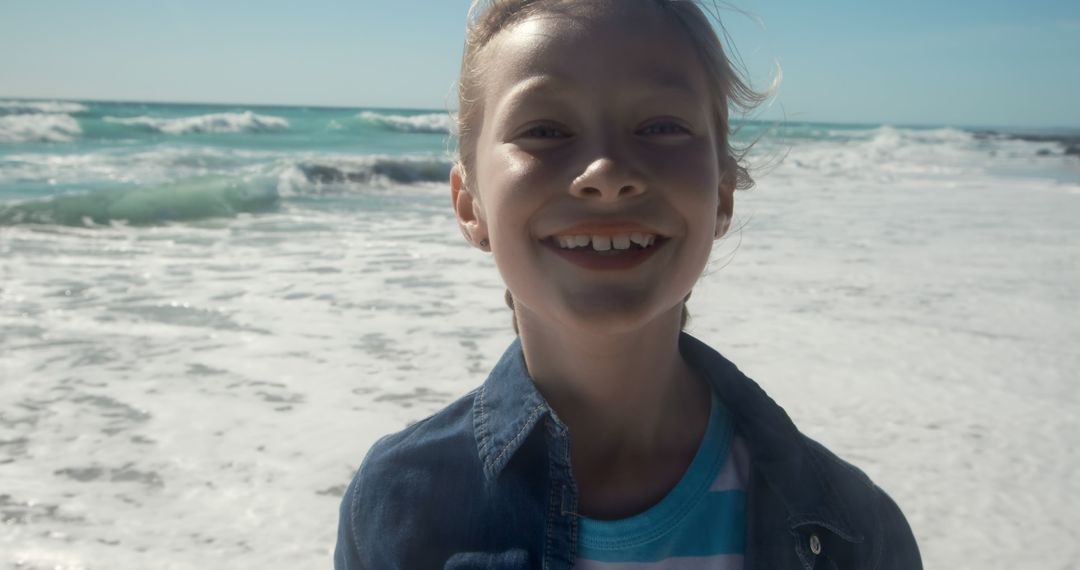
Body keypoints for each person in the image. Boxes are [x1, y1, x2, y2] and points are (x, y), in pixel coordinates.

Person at [335, 0, 922, 568]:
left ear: (722, 194)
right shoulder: (398, 506)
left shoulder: (855, 533)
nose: (607, 175)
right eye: (544, 129)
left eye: (661, 126)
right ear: (470, 204)